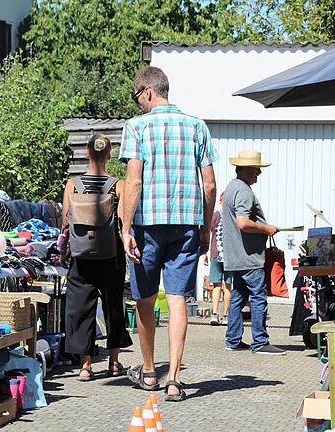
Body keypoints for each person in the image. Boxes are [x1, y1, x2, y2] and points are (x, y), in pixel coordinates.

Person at [120, 66, 217, 401]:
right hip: (186, 225)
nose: (138, 105)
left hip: (147, 225)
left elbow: (133, 181)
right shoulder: (196, 127)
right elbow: (210, 185)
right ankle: (174, 379)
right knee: (177, 300)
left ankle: (149, 372)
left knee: (144, 299)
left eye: (138, 98)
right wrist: (205, 226)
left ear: (148, 91)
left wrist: (125, 227)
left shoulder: (136, 127)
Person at [62, 133, 133, 382]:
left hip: (81, 254)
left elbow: (65, 222)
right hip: (110, 253)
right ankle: (114, 363)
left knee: (81, 307)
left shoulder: (73, 185)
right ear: (110, 155)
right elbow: (123, 222)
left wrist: (63, 251)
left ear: (86, 153)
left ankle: (85, 365)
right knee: (113, 305)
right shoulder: (118, 185)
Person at [221, 149, 286, 356]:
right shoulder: (244, 191)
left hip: (235, 256)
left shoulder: (232, 187)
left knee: (238, 296)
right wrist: (266, 228)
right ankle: (260, 342)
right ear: (247, 170)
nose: (259, 173)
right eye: (257, 170)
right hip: (249, 257)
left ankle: (233, 339)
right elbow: (243, 223)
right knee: (258, 296)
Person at [205, 192, 232, 325]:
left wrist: (204, 252)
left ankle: (215, 314)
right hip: (229, 256)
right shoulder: (233, 216)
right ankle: (224, 315)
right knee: (227, 285)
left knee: (217, 284)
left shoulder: (215, 215)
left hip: (217, 253)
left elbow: (208, 233)